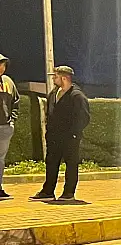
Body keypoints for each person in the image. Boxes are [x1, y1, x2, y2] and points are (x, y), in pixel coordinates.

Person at [30, 65, 91, 203]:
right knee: (51, 163)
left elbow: (84, 117)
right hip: (54, 137)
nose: (53, 79)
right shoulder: (53, 93)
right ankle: (48, 191)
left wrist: (74, 133)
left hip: (70, 137)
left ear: (64, 78)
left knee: (71, 164)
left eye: (55, 76)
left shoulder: (77, 96)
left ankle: (68, 192)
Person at [0, 53, 18, 200]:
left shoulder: (8, 82)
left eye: (3, 65)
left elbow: (16, 101)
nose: (2, 67)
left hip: (5, 127)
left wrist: (12, 120)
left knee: (0, 159)